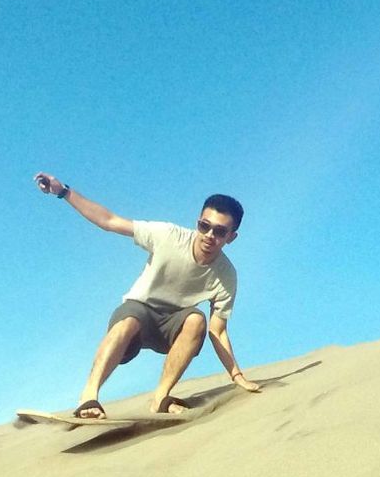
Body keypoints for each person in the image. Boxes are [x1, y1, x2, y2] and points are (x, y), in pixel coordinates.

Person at [33, 173, 266, 418]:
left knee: (197, 319)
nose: (209, 235)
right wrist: (63, 192)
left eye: (219, 231)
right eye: (204, 226)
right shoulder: (168, 235)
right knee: (131, 317)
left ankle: (160, 397)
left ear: (231, 237)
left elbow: (217, 330)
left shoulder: (226, 275)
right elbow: (110, 221)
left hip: (171, 327)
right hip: (138, 313)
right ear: (198, 222)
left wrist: (236, 376)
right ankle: (89, 397)